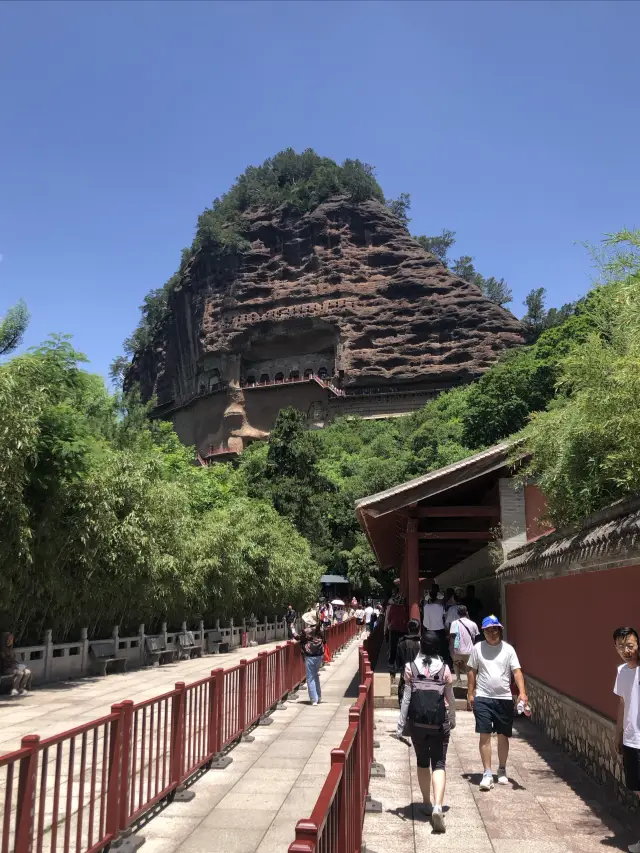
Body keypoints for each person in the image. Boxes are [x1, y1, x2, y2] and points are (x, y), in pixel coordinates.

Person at [396, 630, 456, 833]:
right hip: (439, 722)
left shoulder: (410, 668)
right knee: (439, 762)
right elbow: (450, 697)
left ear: (421, 646)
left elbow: (406, 698)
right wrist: (453, 718)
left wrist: (400, 725)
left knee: (422, 762)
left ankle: (427, 803)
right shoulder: (445, 669)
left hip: (417, 723)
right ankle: (439, 805)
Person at [467, 615, 527, 790]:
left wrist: (522, 693)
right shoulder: (477, 648)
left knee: (503, 736)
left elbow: (517, 672)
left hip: (504, 698)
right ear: (483, 632)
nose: (491, 633)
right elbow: (472, 671)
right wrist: (471, 693)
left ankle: (501, 769)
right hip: (483, 697)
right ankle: (487, 772)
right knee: (484, 734)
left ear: (499, 631)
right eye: (487, 630)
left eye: (494, 630)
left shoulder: (508, 650)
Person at [613, 626, 640, 852]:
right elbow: (622, 702)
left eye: (630, 645)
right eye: (621, 646)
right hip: (631, 740)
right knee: (637, 789)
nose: (626, 650)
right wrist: (618, 733)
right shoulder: (622, 671)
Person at [298, 617, 326, 705]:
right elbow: (324, 640)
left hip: (310, 656)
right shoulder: (320, 629)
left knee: (310, 677)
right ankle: (319, 697)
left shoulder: (306, 631)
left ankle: (314, 699)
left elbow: (298, 637)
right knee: (315, 676)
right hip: (319, 655)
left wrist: (292, 629)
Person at [449, 605, 479, 683]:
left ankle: (458, 679)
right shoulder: (473, 624)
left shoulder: (454, 623)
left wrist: (451, 650)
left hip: (457, 649)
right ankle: (470, 681)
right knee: (469, 667)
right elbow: (476, 637)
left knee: (456, 664)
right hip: (470, 650)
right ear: (466, 612)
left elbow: (452, 637)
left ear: (458, 613)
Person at [395, 619, 421, 707]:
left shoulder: (402, 642)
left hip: (405, 673)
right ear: (419, 629)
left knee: (404, 699)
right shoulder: (423, 643)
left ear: (408, 629)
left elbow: (398, 661)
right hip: (420, 674)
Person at [385, 594, 409, 678]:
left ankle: (391, 664)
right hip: (403, 629)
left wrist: (387, 629)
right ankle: (401, 664)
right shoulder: (405, 608)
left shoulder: (393, 607)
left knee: (393, 647)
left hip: (394, 629)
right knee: (403, 647)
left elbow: (389, 619)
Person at [422, 584, 446, 659]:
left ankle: (431, 659)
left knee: (431, 646)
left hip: (430, 629)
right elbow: (444, 616)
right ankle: (440, 659)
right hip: (440, 629)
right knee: (440, 647)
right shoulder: (441, 606)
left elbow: (425, 619)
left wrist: (427, 627)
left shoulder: (426, 607)